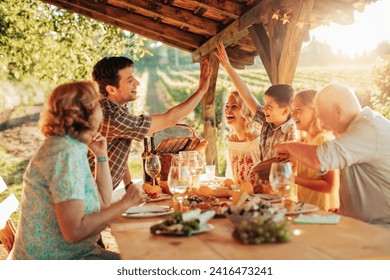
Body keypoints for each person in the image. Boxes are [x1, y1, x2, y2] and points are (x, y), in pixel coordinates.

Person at [9, 81, 145, 260]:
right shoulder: (64, 153)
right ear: (85, 112)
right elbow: (74, 231)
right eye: (97, 104)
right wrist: (125, 203)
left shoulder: (72, 146)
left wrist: (101, 157)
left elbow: (102, 203)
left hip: (75, 254)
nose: (101, 110)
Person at [88, 56, 211, 189]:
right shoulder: (113, 116)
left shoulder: (111, 108)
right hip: (89, 194)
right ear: (111, 89)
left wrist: (129, 185)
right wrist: (201, 91)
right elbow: (170, 119)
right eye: (130, 80)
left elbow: (117, 151)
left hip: (94, 191)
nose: (137, 83)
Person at [275, 83, 390, 225]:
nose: (321, 124)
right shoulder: (355, 130)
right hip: (361, 225)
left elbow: (319, 159)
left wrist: (288, 146)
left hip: (381, 228)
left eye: (322, 116)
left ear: (338, 110)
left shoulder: (369, 128)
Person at [290, 89, 339, 211]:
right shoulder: (306, 141)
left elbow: (329, 186)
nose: (293, 115)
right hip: (307, 209)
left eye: (298, 110)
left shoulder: (324, 140)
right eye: (292, 111)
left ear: (316, 111)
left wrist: (292, 179)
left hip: (323, 212)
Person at [224, 91, 261, 185]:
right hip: (237, 195)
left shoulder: (257, 141)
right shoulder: (231, 140)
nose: (228, 110)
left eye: (234, 106)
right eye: (227, 106)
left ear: (246, 110)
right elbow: (230, 176)